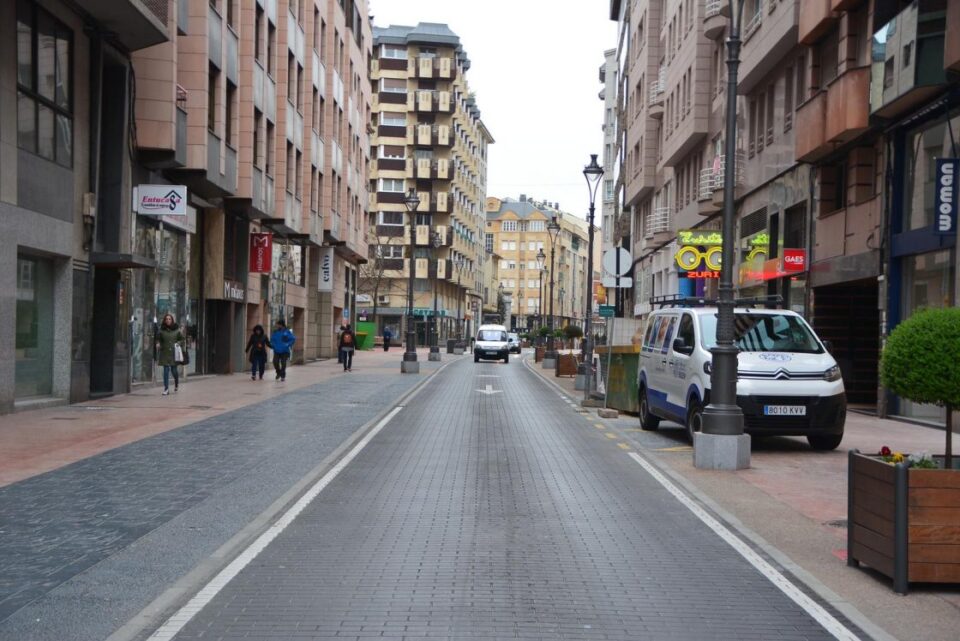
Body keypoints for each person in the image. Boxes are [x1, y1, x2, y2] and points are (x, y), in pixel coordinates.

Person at [155, 313, 184, 396]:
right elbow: (158, 339)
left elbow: (182, 339)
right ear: (164, 320)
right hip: (164, 352)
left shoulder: (177, 330)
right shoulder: (161, 330)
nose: (168, 320)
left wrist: (178, 343)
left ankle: (176, 383)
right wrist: (158, 343)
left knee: (174, 370)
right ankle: (166, 389)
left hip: (174, 353)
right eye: (166, 319)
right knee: (166, 371)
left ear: (172, 320)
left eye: (169, 319)